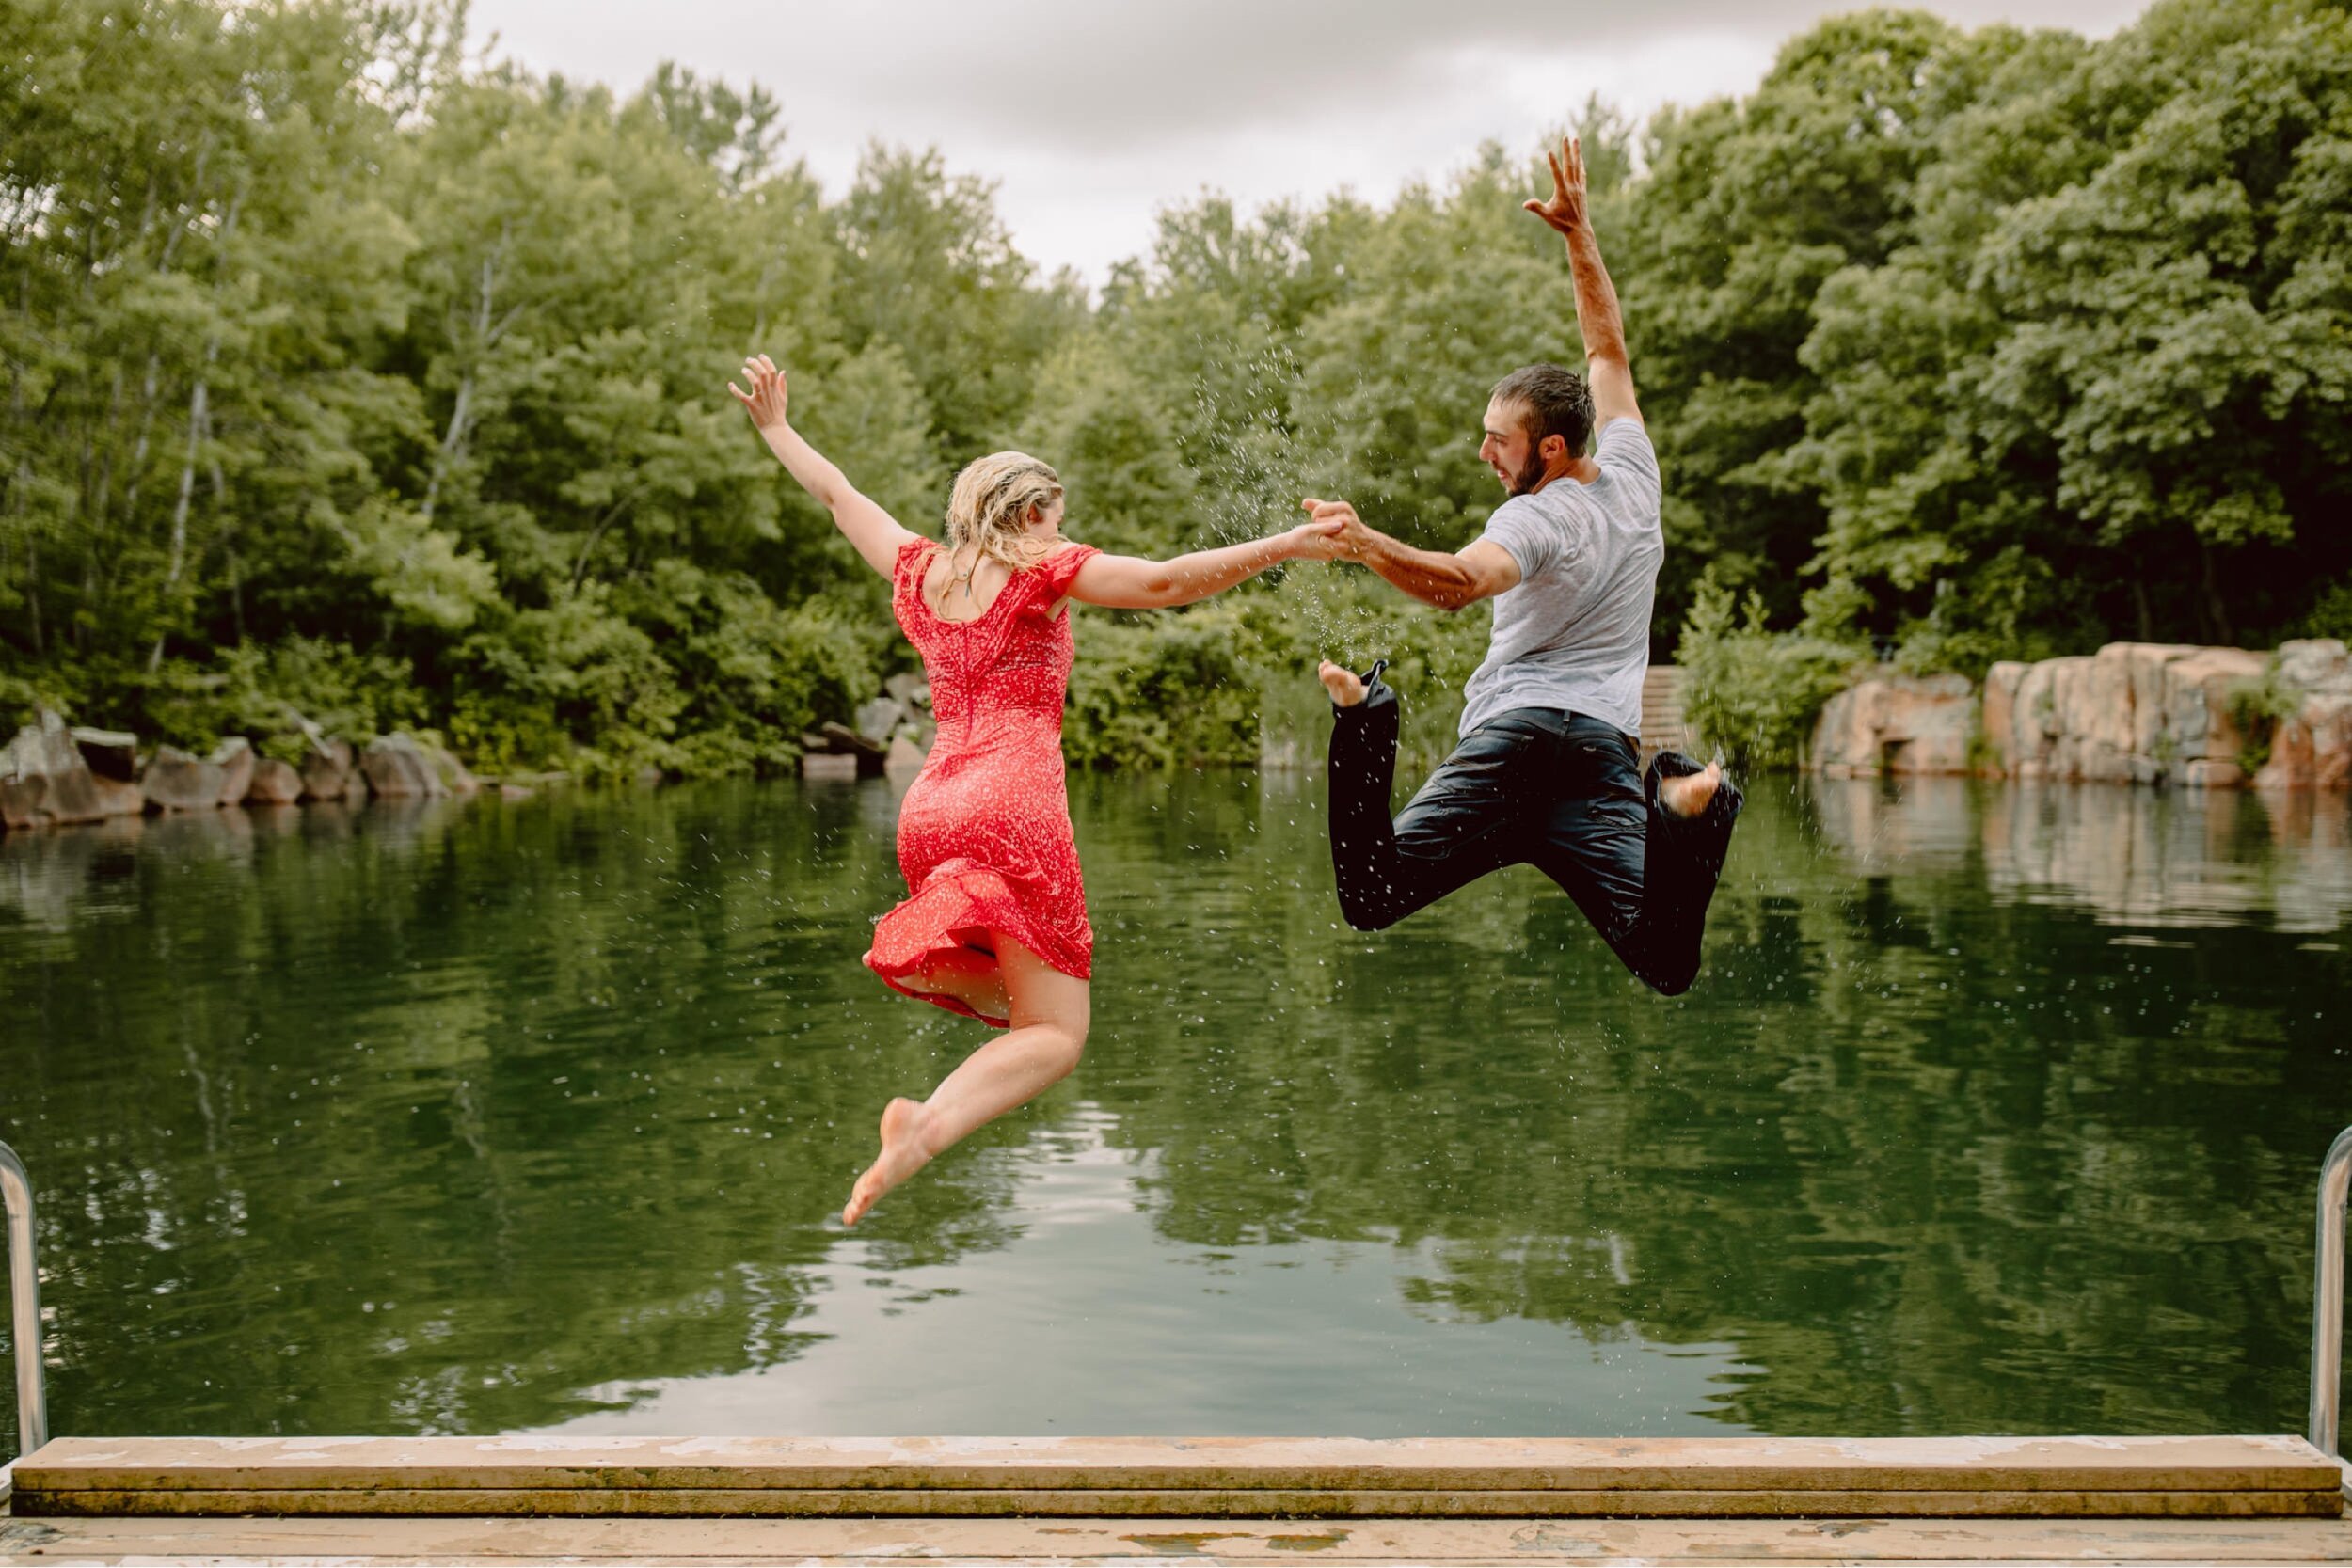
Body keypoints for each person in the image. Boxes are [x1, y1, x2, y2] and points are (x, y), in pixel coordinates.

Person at [729, 356, 1343, 1226]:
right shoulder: (1042, 575)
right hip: (1013, 802)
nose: (1064, 531)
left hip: (932, 809)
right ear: (1027, 514)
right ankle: (926, 1126)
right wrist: (1283, 544)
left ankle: (924, 1125)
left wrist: (779, 428)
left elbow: (838, 496)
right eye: (1057, 517)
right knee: (1057, 1033)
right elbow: (1165, 582)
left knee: (1031, 1012)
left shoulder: (920, 572)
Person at [1303, 136, 1740, 996]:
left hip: (1513, 746)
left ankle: (1368, 713)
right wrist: (1580, 237)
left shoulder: (1538, 517)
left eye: (1498, 442)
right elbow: (1607, 352)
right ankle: (1689, 809)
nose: (1484, 455)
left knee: (1371, 894)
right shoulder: (1635, 471)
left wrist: (1365, 542)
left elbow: (1462, 584)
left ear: (1548, 447)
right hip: (1601, 764)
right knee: (1666, 962)